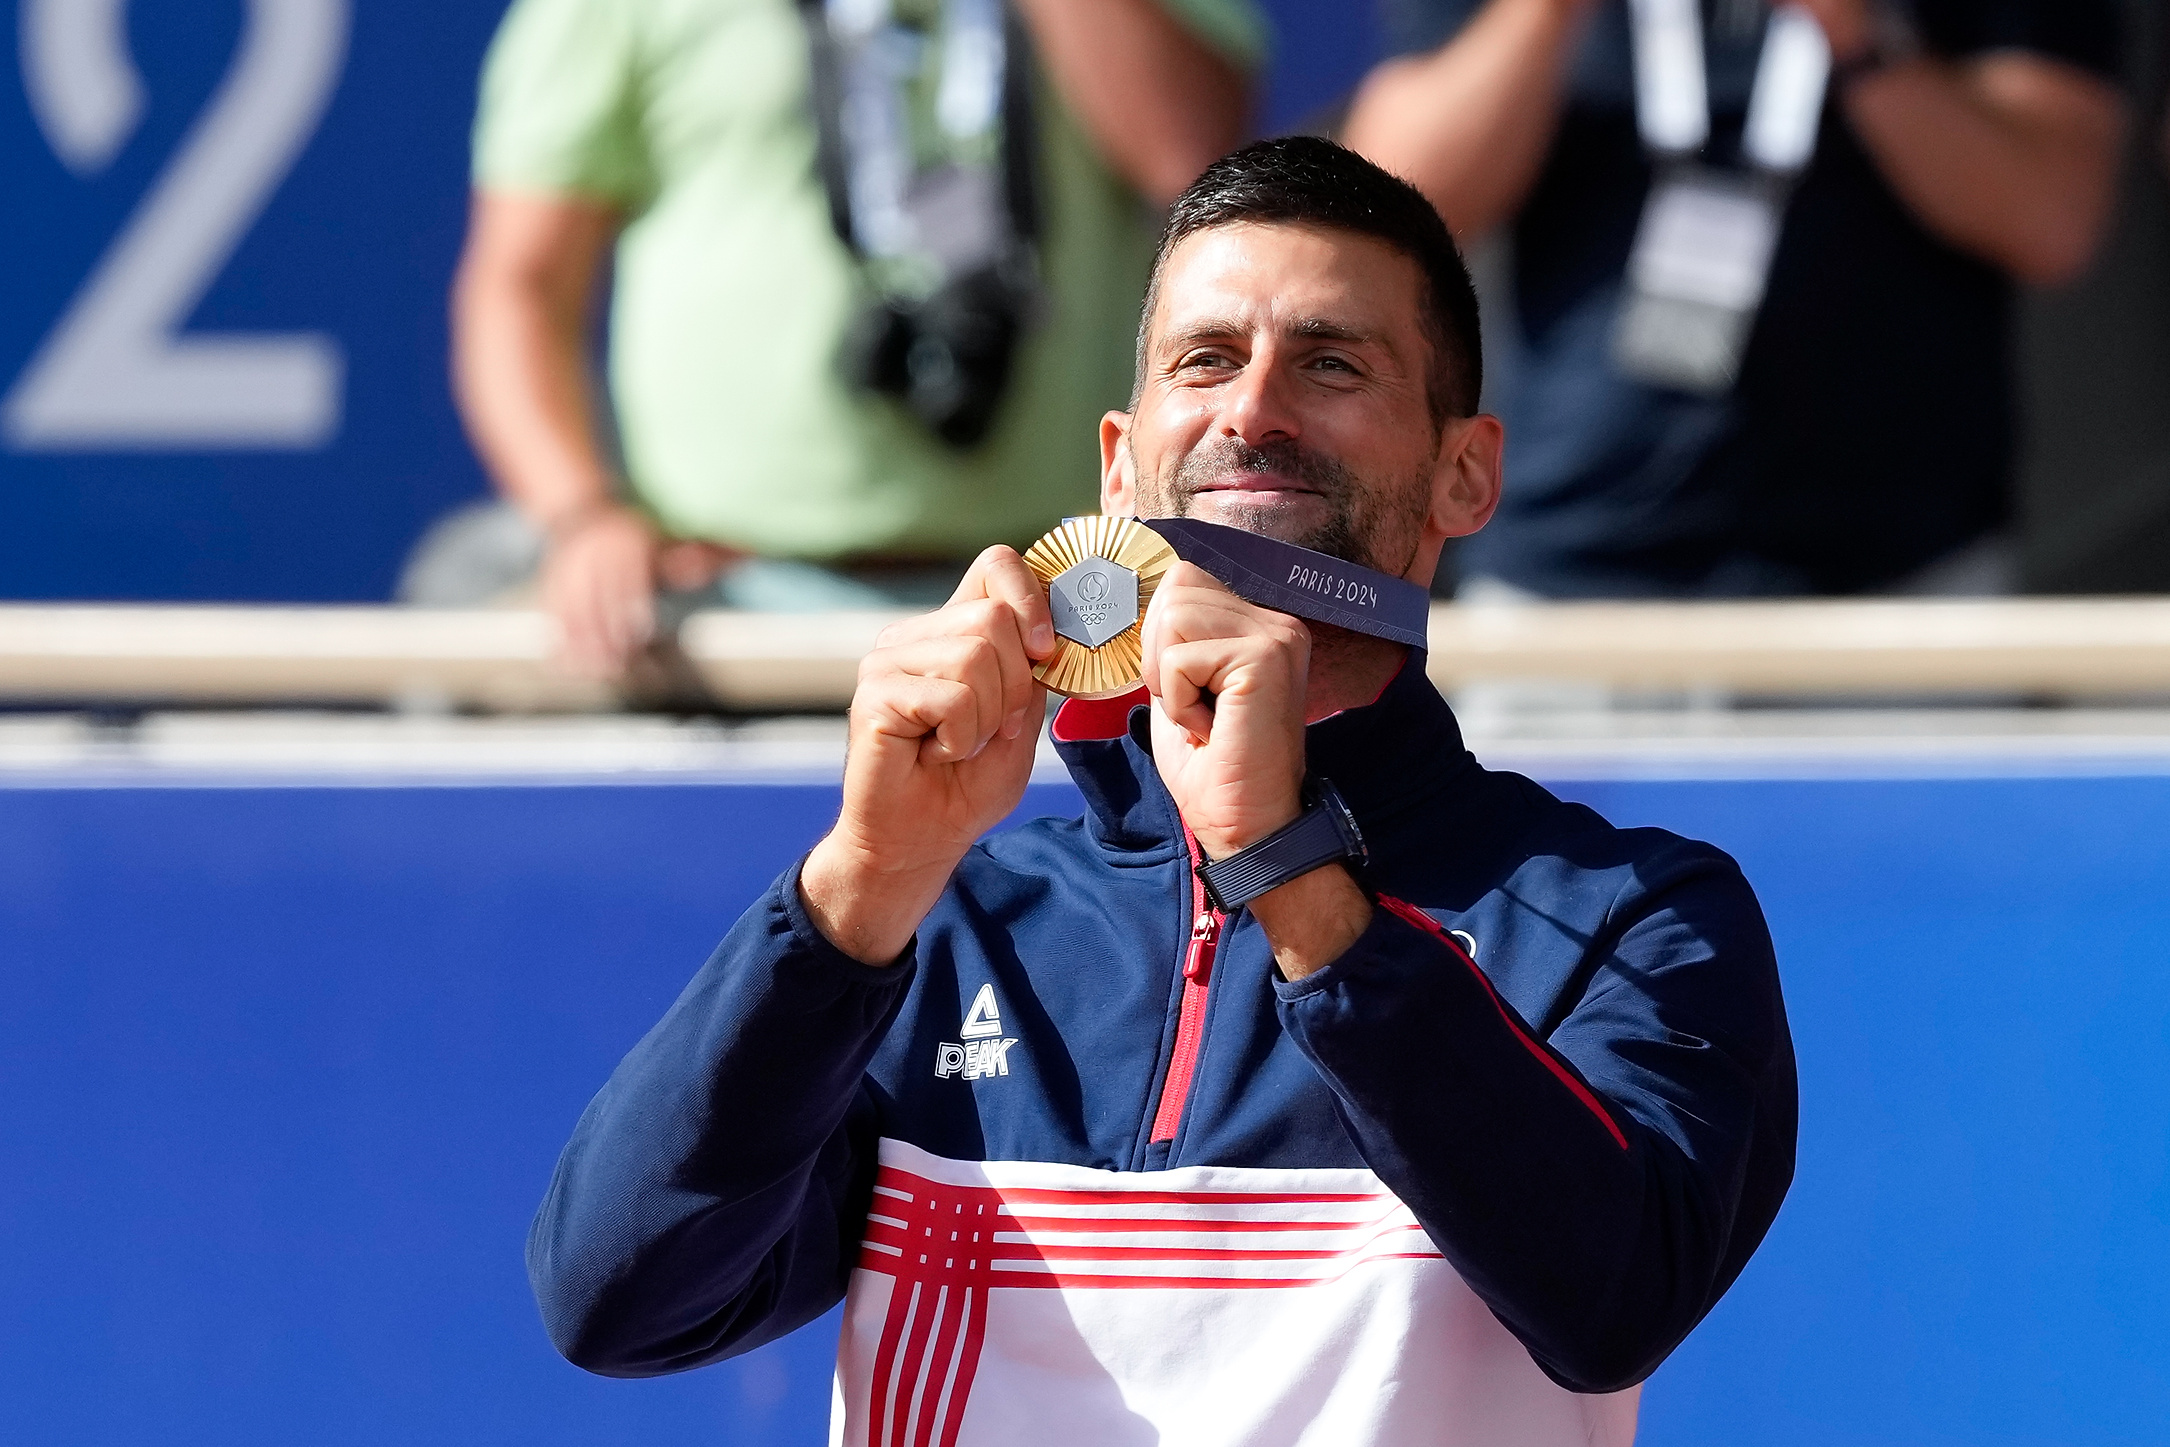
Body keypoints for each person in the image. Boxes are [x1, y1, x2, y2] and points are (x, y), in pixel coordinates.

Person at [527, 138, 1796, 1444]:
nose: (1253, 409)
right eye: (1206, 358)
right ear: (1118, 465)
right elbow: (615, 1303)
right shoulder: (940, 924)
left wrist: (1287, 868)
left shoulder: (1629, 913)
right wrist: (858, 879)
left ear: (1464, 472)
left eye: (1330, 361)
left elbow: (1611, 1299)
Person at [445, 0, 1260, 675]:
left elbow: (1188, 157)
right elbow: (521, 288)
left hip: (1063, 608)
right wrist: (585, 516)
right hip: (716, 616)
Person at [1343, 0, 2125, 598]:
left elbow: (2051, 221)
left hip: (1894, 582)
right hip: (1570, 579)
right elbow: (1383, 222)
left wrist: (1858, 37)